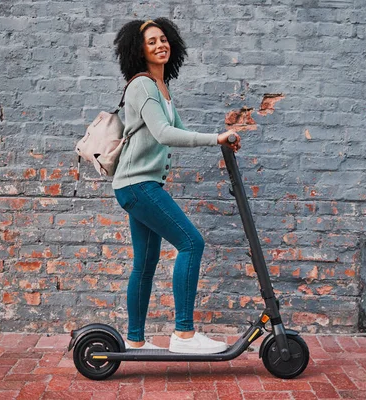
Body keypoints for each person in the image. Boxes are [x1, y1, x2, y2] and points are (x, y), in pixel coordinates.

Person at [112, 18, 241, 354]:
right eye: (152, 41)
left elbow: (180, 130)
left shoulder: (162, 88)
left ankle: (135, 340)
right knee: (191, 243)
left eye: (164, 39)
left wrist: (220, 140)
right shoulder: (141, 86)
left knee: (145, 263)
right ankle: (184, 334)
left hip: (138, 185)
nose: (160, 45)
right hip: (138, 185)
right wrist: (215, 138)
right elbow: (164, 134)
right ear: (139, 50)